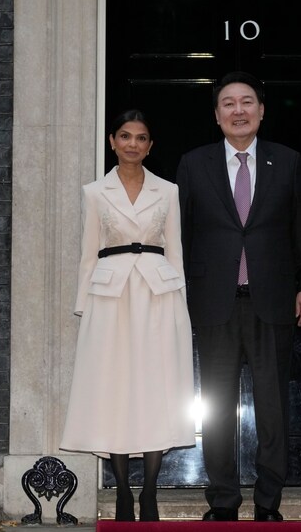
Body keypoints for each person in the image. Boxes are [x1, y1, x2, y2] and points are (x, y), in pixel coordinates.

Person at [176, 71, 301, 522]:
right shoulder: (193, 165)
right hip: (213, 303)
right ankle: (223, 501)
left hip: (272, 302)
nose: (239, 110)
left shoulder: (288, 161)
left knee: (273, 408)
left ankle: (269, 502)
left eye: (247, 102)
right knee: (216, 407)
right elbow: (182, 235)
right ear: (217, 116)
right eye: (229, 104)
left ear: (261, 111)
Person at [60, 110, 195, 522]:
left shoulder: (168, 191)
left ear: (150, 145)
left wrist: (181, 308)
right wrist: (84, 306)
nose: (133, 144)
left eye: (141, 138)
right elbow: (88, 253)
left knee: (157, 390)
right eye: (125, 136)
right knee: (114, 391)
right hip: (110, 298)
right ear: (112, 141)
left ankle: (149, 492)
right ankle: (121, 493)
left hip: (158, 295)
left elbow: (176, 251)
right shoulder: (94, 192)